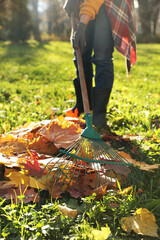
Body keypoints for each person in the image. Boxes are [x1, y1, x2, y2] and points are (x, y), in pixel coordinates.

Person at [64, 0, 137, 133]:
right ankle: (83, 105)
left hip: (110, 4)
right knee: (81, 52)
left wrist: (82, 23)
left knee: (102, 56)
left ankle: (99, 116)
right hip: (86, 3)